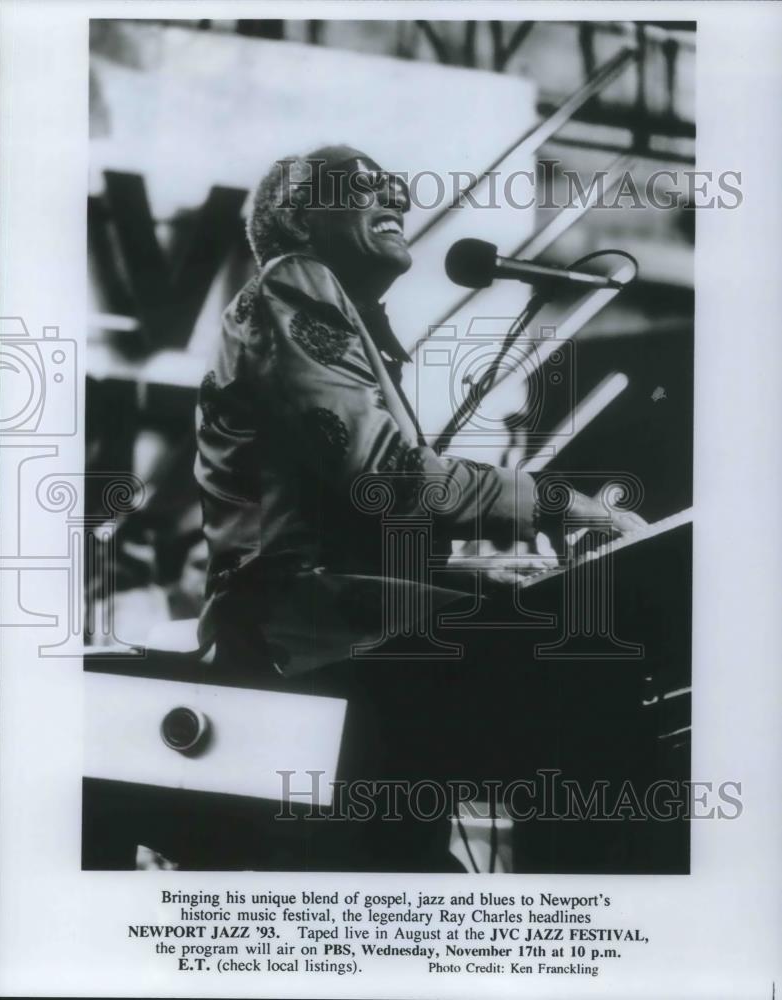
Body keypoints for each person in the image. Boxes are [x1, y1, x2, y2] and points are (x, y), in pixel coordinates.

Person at [191, 144, 645, 871]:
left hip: (328, 617)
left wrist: (486, 575)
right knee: (593, 672)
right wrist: (560, 507)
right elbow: (391, 480)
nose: (397, 193)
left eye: (396, 182)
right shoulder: (295, 286)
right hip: (305, 624)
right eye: (365, 184)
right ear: (301, 219)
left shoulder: (338, 317)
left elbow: (368, 507)